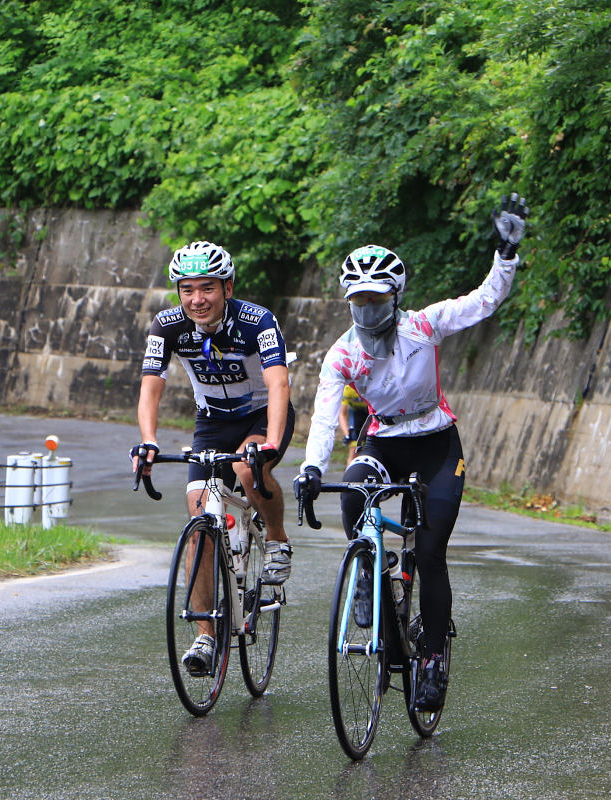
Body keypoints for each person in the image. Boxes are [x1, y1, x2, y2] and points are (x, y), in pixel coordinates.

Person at [294, 193, 528, 712]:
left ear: (395, 299)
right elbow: (324, 414)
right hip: (382, 441)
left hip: (436, 446)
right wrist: (311, 467)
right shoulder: (342, 353)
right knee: (354, 496)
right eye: (358, 302)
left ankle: (431, 661)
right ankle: (370, 579)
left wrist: (505, 255)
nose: (367, 310)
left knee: (428, 551)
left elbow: (483, 300)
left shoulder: (425, 326)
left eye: (377, 301)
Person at [132, 240, 295, 676]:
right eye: (187, 289)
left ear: (227, 287)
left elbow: (279, 386)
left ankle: (276, 539)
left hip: (261, 414)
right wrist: (148, 440)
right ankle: (205, 635)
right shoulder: (167, 327)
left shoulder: (257, 321)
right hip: (212, 422)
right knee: (198, 521)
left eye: (207, 288)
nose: (197, 299)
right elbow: (151, 385)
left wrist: (272, 444)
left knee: (247, 465)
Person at [337, 384, 369, 467]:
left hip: (370, 415)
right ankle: (350, 476)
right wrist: (347, 434)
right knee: (354, 451)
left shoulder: (370, 386)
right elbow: (342, 414)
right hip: (356, 416)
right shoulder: (348, 390)